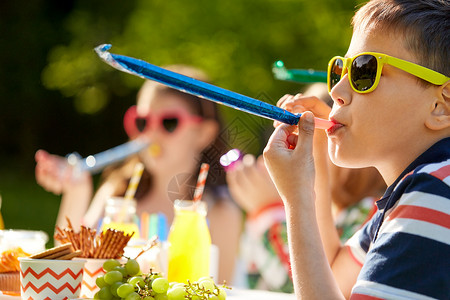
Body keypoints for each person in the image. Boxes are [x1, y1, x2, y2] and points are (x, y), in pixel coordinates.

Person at [264, 0, 450, 298]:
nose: (336, 91)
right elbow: (335, 278)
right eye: (341, 70)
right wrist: (315, 165)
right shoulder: (425, 186)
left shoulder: (434, 191)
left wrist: (296, 198)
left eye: (365, 70)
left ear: (441, 105)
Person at [35, 65, 243, 283]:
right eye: (143, 122)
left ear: (204, 133)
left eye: (169, 122)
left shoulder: (220, 212)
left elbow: (219, 290)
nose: (151, 133)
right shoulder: (116, 194)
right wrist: (77, 192)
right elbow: (66, 266)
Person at [227, 83, 385, 293]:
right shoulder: (312, 211)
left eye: (316, 138)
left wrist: (267, 211)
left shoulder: (370, 212)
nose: (304, 150)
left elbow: (307, 283)